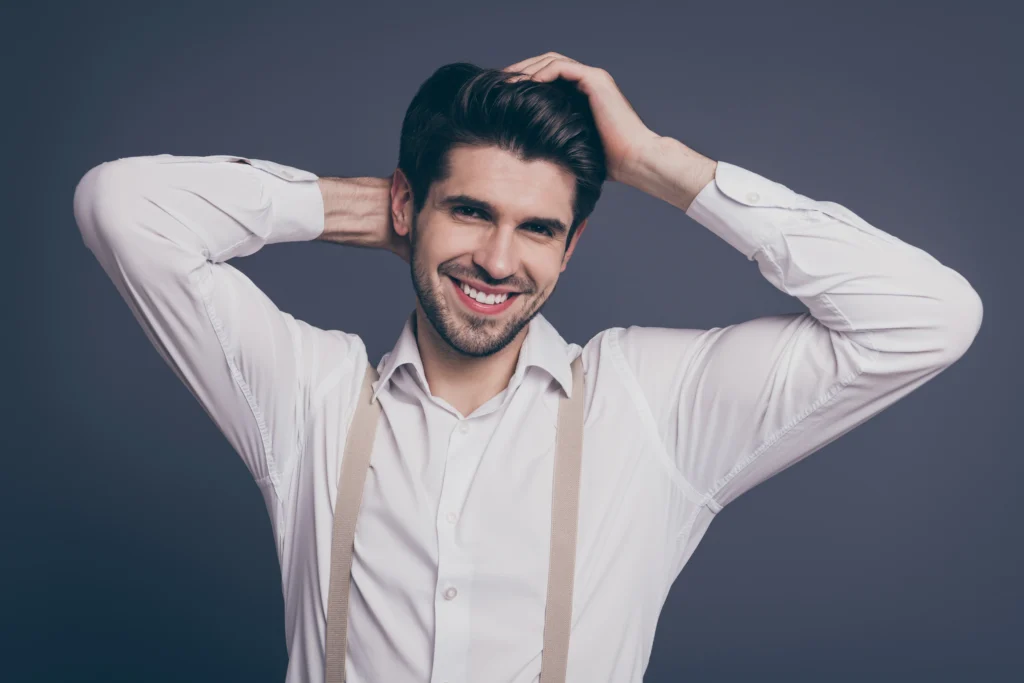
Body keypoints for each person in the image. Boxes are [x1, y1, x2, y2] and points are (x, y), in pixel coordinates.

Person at [73, 53, 982, 683]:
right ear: (408, 205)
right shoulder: (306, 398)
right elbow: (123, 207)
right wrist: (381, 214)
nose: (499, 261)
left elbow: (929, 317)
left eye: (537, 227)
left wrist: (659, 165)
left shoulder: (650, 409)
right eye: (470, 211)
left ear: (571, 244)